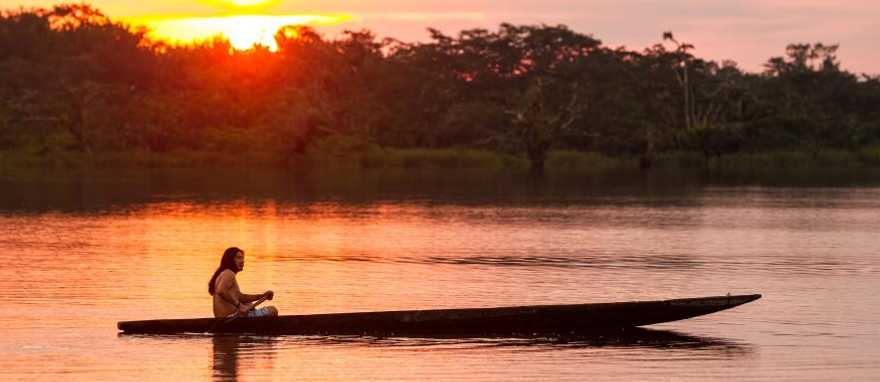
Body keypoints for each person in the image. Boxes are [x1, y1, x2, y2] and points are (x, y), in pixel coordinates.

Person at [208, 247, 278, 318]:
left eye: (242, 258)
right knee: (273, 310)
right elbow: (221, 290)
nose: (242, 261)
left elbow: (242, 297)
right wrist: (239, 306)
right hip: (231, 319)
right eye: (238, 258)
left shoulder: (225, 273)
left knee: (248, 304)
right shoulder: (228, 273)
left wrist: (263, 296)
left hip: (229, 318)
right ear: (230, 260)